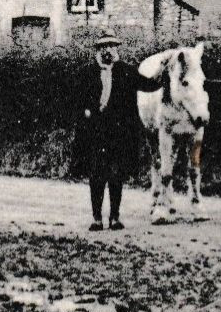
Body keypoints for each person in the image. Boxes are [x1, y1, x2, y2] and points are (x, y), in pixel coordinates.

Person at [69, 33, 163, 232]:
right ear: (97, 50)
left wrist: (164, 71)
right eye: (103, 47)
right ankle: (96, 218)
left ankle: (114, 217)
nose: (107, 50)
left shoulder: (126, 71)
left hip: (119, 134)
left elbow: (149, 85)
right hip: (95, 133)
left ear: (116, 49)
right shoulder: (86, 73)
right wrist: (86, 110)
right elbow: (74, 99)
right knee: (96, 176)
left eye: (111, 46)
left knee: (116, 175)